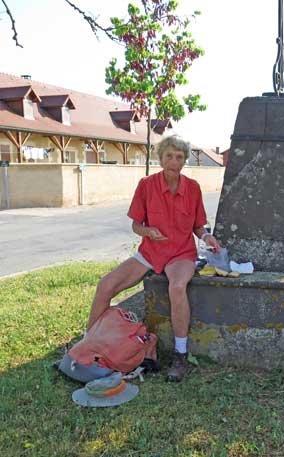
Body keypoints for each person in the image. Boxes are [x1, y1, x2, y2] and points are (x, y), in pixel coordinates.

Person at [86, 135, 221, 382]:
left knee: (177, 287)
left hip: (181, 253)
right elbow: (136, 224)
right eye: (169, 155)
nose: (173, 161)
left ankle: (180, 355)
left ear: (184, 161)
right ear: (161, 158)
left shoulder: (192, 188)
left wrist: (207, 238)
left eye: (179, 157)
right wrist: (148, 231)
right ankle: (87, 346)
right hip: (150, 252)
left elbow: (198, 226)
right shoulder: (146, 185)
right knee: (105, 285)